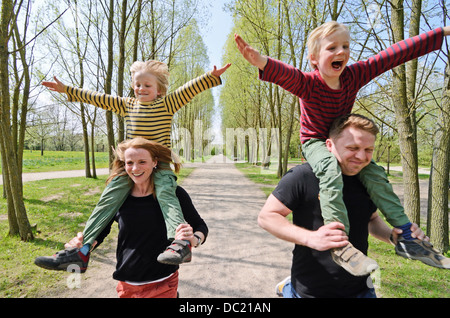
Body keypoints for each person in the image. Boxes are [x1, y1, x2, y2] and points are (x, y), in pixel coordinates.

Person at [235, 22, 450, 276]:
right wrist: (261, 61)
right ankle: (340, 244)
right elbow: (287, 73)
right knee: (329, 168)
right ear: (314, 58)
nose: (341, 52)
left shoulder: (354, 76)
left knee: (375, 174)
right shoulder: (308, 83)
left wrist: (441, 33)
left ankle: (406, 237)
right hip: (315, 141)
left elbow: (393, 55)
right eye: (332, 47)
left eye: (346, 46)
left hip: (340, 139)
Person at [36, 60, 229, 271]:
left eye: (147, 85)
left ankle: (179, 244)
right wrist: (67, 89)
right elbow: (98, 98)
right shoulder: (127, 104)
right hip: (129, 163)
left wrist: (210, 77)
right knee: (108, 198)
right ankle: (81, 252)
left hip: (160, 163)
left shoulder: (167, 104)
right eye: (137, 85)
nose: (141, 89)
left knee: (166, 194)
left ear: (159, 89)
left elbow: (188, 89)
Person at [258, 114, 449, 298]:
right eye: (353, 147)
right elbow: (267, 217)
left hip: (362, 288)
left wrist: (392, 236)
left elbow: (371, 219)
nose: (361, 156)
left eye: (368, 150)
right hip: (311, 289)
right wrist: (311, 238)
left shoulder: (370, 181)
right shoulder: (303, 176)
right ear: (329, 145)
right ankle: (289, 286)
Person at [37, 137, 208, 298]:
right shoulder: (119, 198)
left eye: (142, 162)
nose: (135, 168)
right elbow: (101, 233)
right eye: (130, 163)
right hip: (127, 284)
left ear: (154, 162)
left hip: (162, 283)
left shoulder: (174, 193)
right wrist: (81, 246)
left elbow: (201, 226)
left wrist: (193, 239)